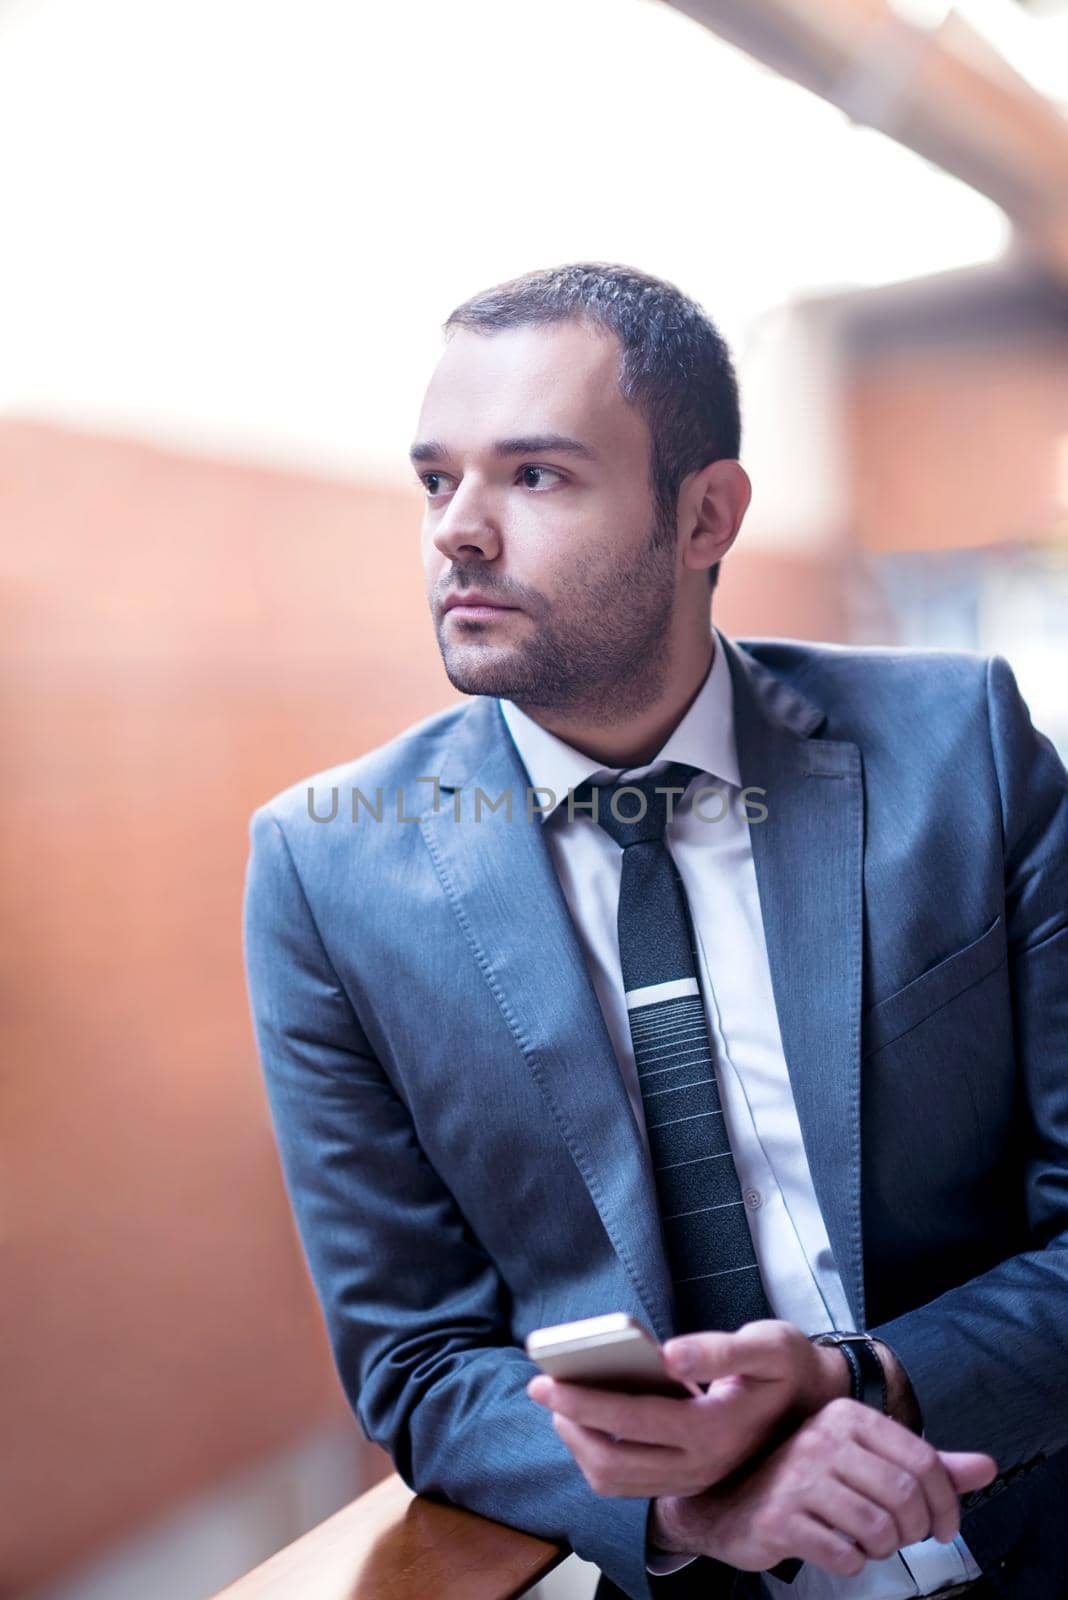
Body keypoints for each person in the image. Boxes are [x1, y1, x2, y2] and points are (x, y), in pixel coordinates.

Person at [241, 262, 1068, 1600]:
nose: (460, 529)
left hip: (1026, 1524)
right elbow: (416, 1360)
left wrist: (873, 1383)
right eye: (436, 480)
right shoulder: (324, 870)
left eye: (536, 476)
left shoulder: (961, 753)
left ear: (705, 515)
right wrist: (696, 1508)